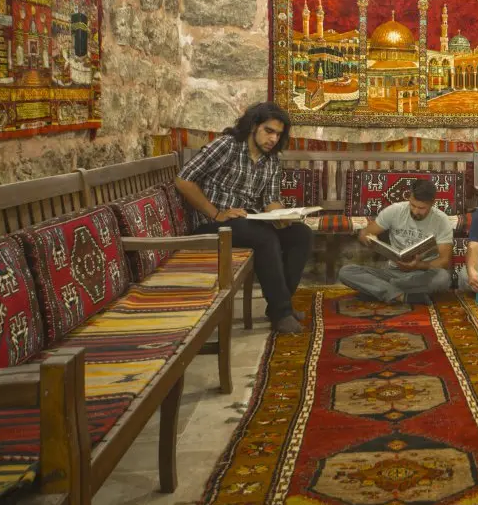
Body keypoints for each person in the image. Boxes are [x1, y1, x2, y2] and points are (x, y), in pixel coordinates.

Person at [175, 102, 313, 334]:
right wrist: (216, 214)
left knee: (302, 234)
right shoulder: (227, 146)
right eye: (269, 131)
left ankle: (280, 305)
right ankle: (281, 313)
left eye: (278, 134)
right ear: (253, 126)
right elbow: (183, 179)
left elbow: (270, 200)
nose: (273, 139)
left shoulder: (271, 160)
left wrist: (282, 215)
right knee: (263, 237)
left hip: (247, 223)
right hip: (212, 225)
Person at [338, 178, 453, 304]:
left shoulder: (441, 221)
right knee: (346, 272)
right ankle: (403, 296)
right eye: (412, 205)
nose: (415, 211)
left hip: (421, 275)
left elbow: (444, 261)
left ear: (432, 203)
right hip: (392, 272)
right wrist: (369, 239)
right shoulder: (395, 210)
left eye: (421, 208)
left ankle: (380, 289)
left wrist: (418, 265)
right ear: (409, 197)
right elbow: (363, 233)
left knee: (442, 279)